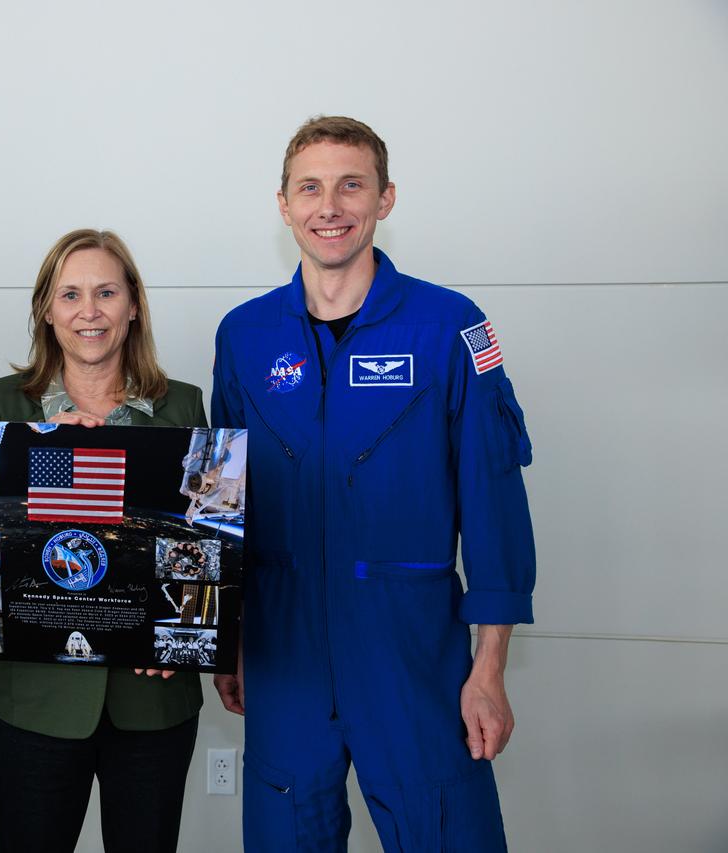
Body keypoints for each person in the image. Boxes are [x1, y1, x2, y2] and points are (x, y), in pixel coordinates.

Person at [211, 117, 535, 850]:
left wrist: (488, 670)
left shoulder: (449, 326)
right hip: (282, 648)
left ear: (385, 199)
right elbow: (222, 507)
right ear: (283, 204)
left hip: (411, 649)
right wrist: (225, 641)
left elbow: (494, 504)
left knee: (447, 832)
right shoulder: (245, 335)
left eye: (351, 184)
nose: (330, 205)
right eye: (311, 188)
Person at [0, 229, 206, 853]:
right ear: (47, 310)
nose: (90, 311)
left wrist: (182, 635)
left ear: (134, 305)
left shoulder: (183, 405)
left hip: (153, 699)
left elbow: (202, 547)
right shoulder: (1, 405)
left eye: (106, 292)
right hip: (35, 704)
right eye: (70, 294)